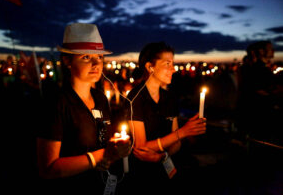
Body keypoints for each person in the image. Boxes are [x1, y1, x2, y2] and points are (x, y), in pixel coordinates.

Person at [36, 23, 131, 192]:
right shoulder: (57, 103)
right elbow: (47, 168)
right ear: (67, 61)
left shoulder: (101, 99)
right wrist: (98, 157)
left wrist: (118, 147)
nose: (96, 64)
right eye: (86, 57)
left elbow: (105, 144)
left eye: (100, 57)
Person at [125, 42, 206, 193]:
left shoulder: (169, 98)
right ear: (150, 67)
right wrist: (182, 133)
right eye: (167, 64)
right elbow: (141, 147)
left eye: (173, 64)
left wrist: (163, 156)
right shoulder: (135, 98)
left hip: (166, 169)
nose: (173, 69)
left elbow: (177, 144)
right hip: (141, 176)